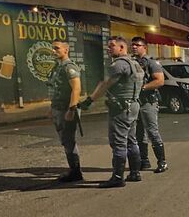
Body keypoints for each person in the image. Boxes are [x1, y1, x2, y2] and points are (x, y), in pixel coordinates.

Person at [89, 36, 144, 188]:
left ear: (121, 47)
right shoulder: (135, 63)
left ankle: (118, 177)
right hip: (133, 105)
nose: (109, 49)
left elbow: (106, 84)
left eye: (112, 46)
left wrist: (90, 100)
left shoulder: (119, 64)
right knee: (131, 140)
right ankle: (135, 173)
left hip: (121, 108)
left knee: (119, 142)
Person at [47, 40, 83, 182]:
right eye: (53, 48)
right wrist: (52, 108)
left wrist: (71, 109)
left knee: (69, 141)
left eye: (57, 48)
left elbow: (76, 89)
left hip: (66, 109)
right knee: (65, 140)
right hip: (58, 108)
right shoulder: (58, 67)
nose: (53, 51)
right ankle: (73, 170)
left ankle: (76, 172)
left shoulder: (69, 67)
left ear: (66, 50)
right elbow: (56, 90)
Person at [131, 37, 167, 173]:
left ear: (144, 47)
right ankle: (144, 160)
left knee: (152, 132)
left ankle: (162, 162)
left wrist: (143, 88)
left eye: (137, 45)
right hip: (136, 102)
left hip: (148, 101)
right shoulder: (132, 62)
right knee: (138, 133)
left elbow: (160, 81)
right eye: (133, 45)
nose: (134, 47)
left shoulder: (151, 63)